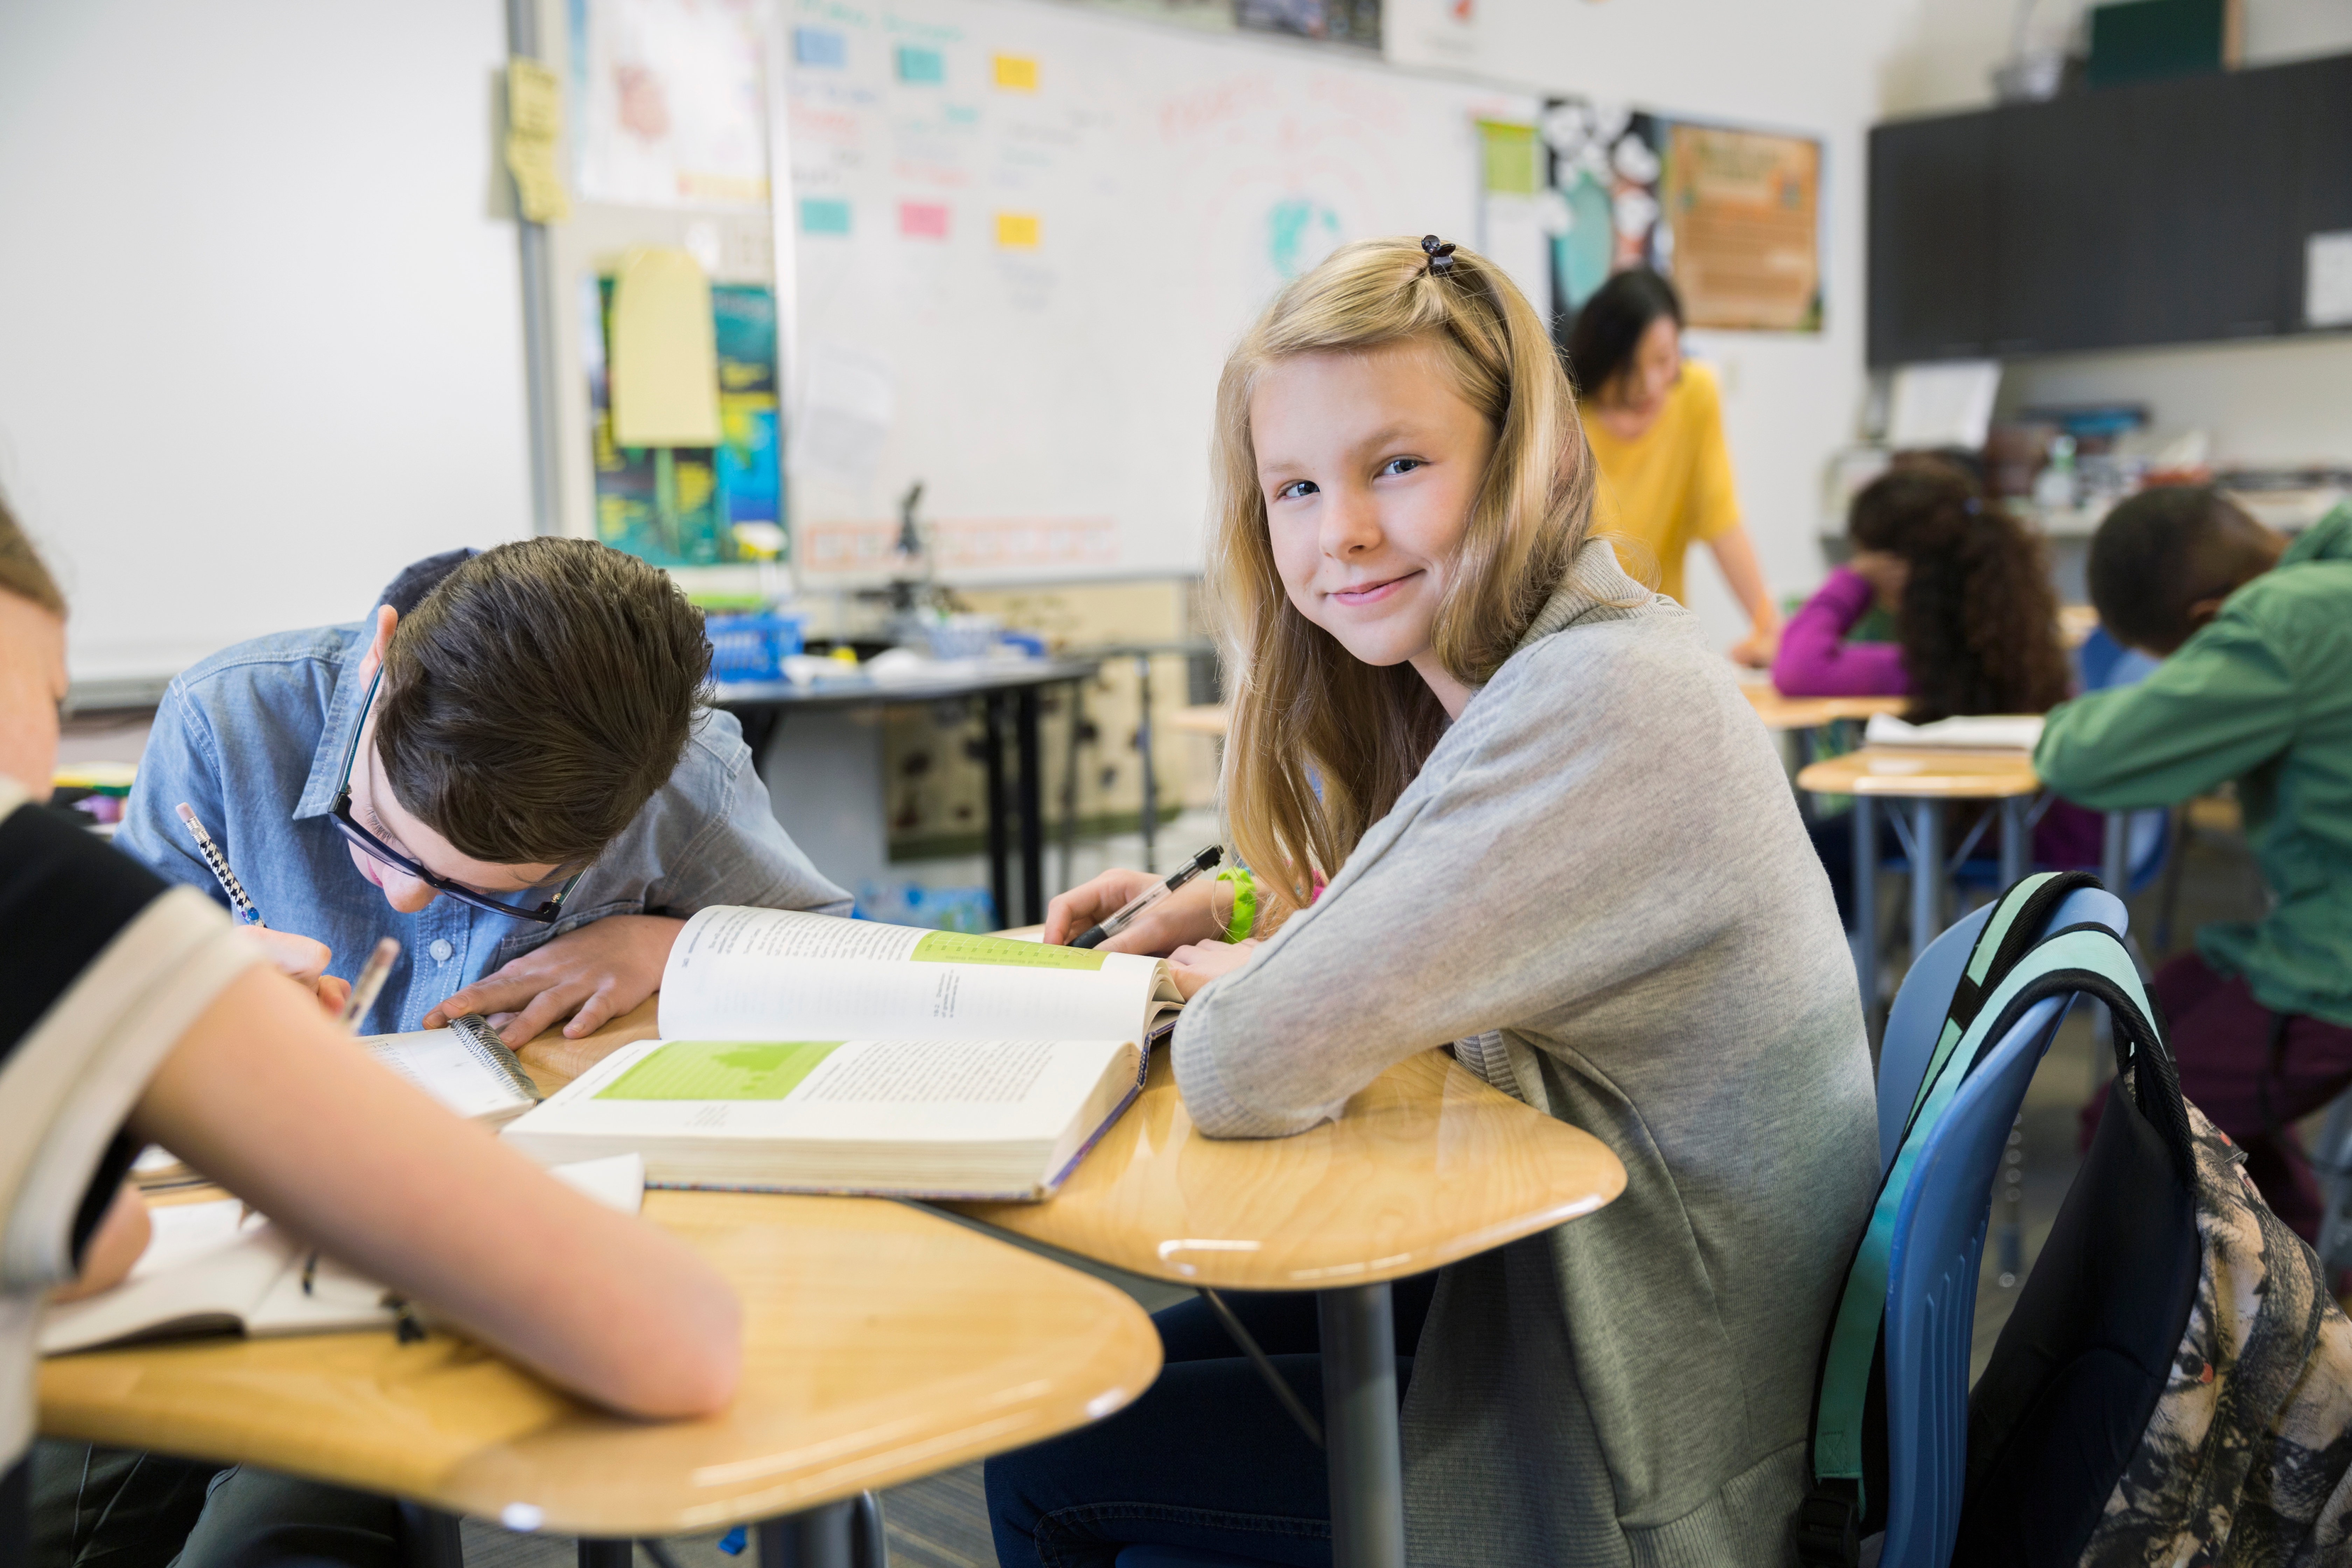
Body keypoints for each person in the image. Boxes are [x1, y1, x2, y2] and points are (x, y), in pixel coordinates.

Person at [985, 236, 1875, 1565]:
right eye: (1291, 485)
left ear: (1520, 459)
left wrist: (1196, 989)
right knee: (1136, 1370)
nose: (1336, 528)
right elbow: (1412, 903)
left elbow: (1244, 1068)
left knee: (1047, 1457)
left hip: (1646, 1449)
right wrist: (1234, 919)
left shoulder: (1602, 704)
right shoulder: (1548, 667)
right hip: (1580, 1317)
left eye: (1394, 465)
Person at [0, 497, 740, 1563]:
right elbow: (681, 1338)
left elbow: (87, 1231)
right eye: (55, 696)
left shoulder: (674, 768)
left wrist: (664, 945)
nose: (399, 897)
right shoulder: (58, 885)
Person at [112, 537, 849, 1046]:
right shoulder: (226, 724)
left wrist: (668, 945)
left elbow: (842, 963)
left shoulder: (685, 780)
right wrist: (192, 987)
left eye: (487, 889)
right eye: (377, 826)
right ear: (378, 661)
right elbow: (84, 985)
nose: (402, 894)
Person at [2037, 487, 2352, 1245]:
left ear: (2208, 621)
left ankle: (2208, 1338)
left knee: (2138, 1127)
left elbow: (2090, 758)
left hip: (2334, 962)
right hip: (2320, 926)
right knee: (2170, 1008)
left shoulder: (2280, 626)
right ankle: (2296, 1286)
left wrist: (2056, 718)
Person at [1773, 463, 2104, 923]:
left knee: (1819, 840)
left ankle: (1855, 980)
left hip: (2017, 838)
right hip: (2066, 826)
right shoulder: (2012, 644)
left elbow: (1797, 669)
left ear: (1896, 570)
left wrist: (1852, 581)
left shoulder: (1928, 669)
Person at [1568, 267, 1781, 666]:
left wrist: (1770, 629)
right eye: (1632, 368)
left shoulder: (1695, 394)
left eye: (1665, 360)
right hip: (1577, 654)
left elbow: (1722, 520)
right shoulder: (1564, 412)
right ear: (1603, 359)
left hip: (1662, 648)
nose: (1651, 385)